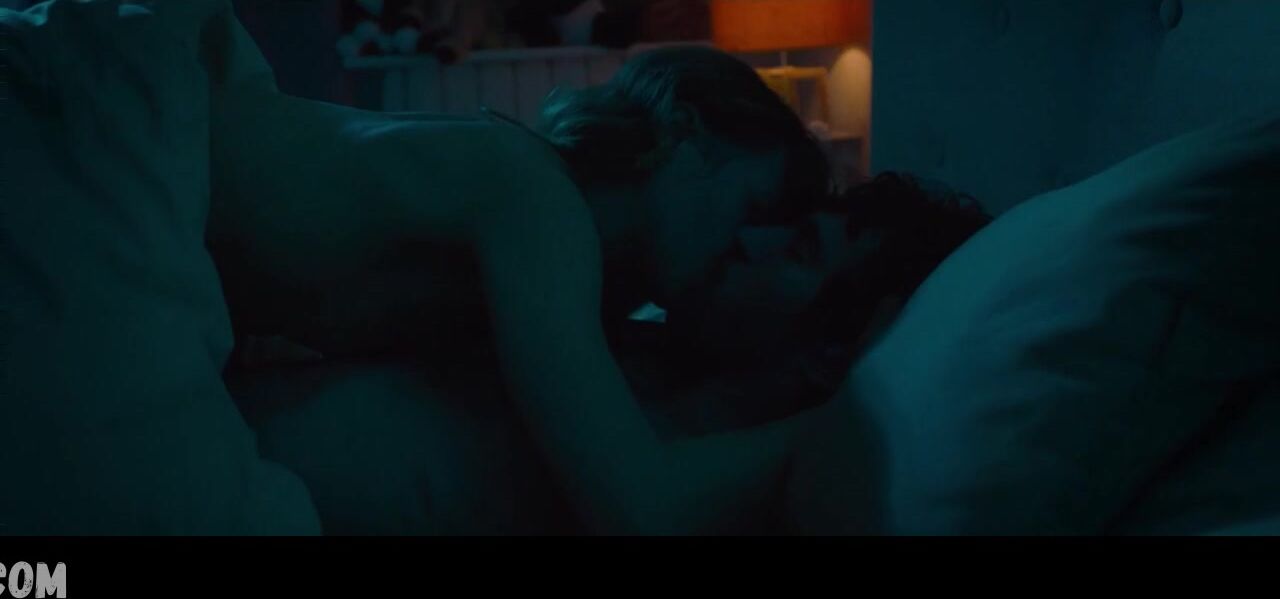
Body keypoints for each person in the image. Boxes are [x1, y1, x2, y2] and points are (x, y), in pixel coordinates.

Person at [227, 174, 993, 534]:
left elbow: (645, 508)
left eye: (797, 248)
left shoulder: (733, 477)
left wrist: (858, 393)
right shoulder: (633, 335)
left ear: (833, 350)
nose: (750, 239)